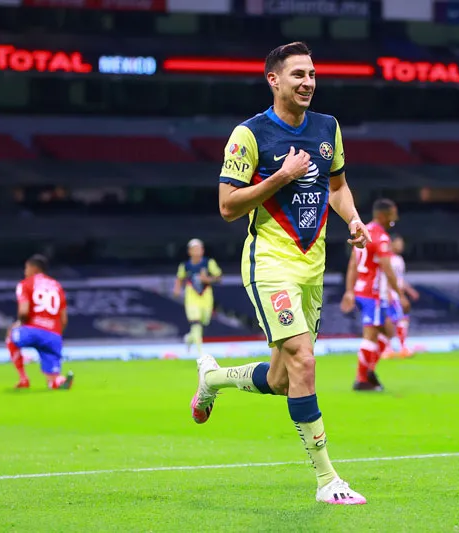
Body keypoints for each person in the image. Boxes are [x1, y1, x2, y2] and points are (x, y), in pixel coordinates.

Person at [189, 42, 371, 505]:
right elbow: (227, 206)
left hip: (313, 268)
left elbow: (337, 187)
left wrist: (353, 219)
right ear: (273, 80)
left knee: (283, 380)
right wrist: (280, 177)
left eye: (312, 74)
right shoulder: (249, 135)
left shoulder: (328, 128)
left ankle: (212, 380)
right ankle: (328, 480)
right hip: (269, 264)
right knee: (304, 361)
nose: (308, 82)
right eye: (298, 75)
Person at [339, 199, 406, 391]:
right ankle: (362, 379)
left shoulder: (363, 231)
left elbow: (353, 264)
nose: (395, 218)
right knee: (371, 335)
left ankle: (369, 371)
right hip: (373, 293)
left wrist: (350, 290)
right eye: (392, 214)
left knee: (387, 331)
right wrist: (400, 295)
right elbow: (387, 269)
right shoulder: (381, 238)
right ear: (383, 215)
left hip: (361, 289)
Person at [5, 254, 73, 390]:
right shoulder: (56, 286)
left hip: (32, 331)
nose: (25, 272)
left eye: (26, 268)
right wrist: (56, 335)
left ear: (33, 268)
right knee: (52, 381)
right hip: (53, 335)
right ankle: (59, 381)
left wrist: (19, 324)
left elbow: (23, 311)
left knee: (11, 337)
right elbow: (64, 319)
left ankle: (23, 378)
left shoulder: (26, 284)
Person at [173, 238, 222, 355]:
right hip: (192, 297)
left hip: (205, 297)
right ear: (189, 251)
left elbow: (218, 277)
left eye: (199, 249)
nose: (197, 251)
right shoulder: (185, 266)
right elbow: (180, 278)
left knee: (204, 321)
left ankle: (189, 338)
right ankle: (200, 352)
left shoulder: (209, 263)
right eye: (194, 249)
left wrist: (207, 279)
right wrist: (177, 289)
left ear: (202, 250)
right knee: (196, 322)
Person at [379, 235, 418, 359]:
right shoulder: (387, 259)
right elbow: (387, 277)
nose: (401, 246)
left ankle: (392, 348)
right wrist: (389, 292)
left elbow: (399, 279)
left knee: (398, 319)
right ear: (391, 243)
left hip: (397, 293)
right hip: (390, 294)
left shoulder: (399, 259)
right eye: (399, 243)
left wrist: (410, 290)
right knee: (396, 320)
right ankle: (397, 348)